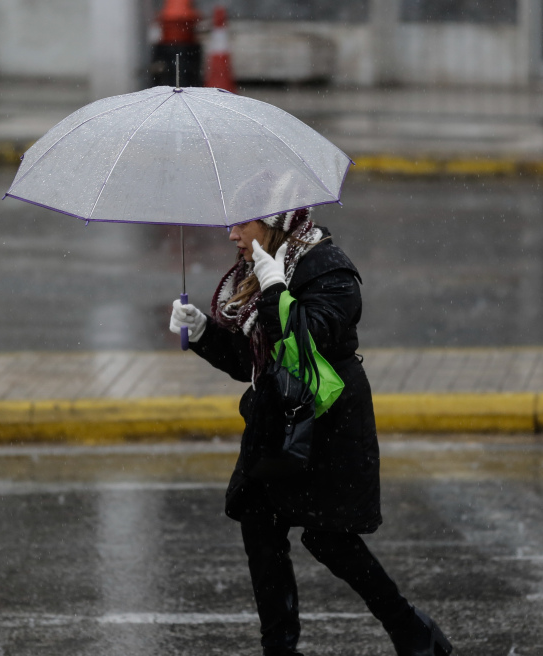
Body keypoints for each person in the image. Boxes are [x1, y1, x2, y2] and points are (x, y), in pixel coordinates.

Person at [169, 208, 453, 656]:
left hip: (329, 423)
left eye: (243, 223)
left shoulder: (328, 267)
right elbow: (253, 362)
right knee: (259, 522)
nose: (232, 235)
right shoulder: (254, 273)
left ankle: (413, 632)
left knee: (331, 539)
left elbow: (308, 340)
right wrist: (204, 334)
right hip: (278, 418)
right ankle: (279, 648)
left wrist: (277, 288)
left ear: (276, 221)